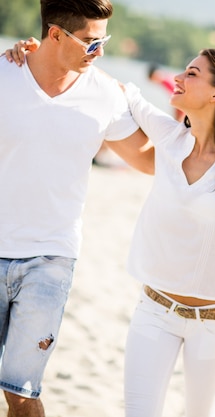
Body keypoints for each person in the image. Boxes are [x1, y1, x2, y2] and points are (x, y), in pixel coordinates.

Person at [0, 1, 153, 416]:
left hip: (51, 258)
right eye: (90, 42)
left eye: (103, 41)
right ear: (54, 34)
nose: (99, 51)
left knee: (22, 392)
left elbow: (150, 160)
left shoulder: (105, 94)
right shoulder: (4, 73)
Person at [122, 50, 215, 417]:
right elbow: (124, 93)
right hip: (154, 310)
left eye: (191, 73)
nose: (177, 77)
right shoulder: (169, 138)